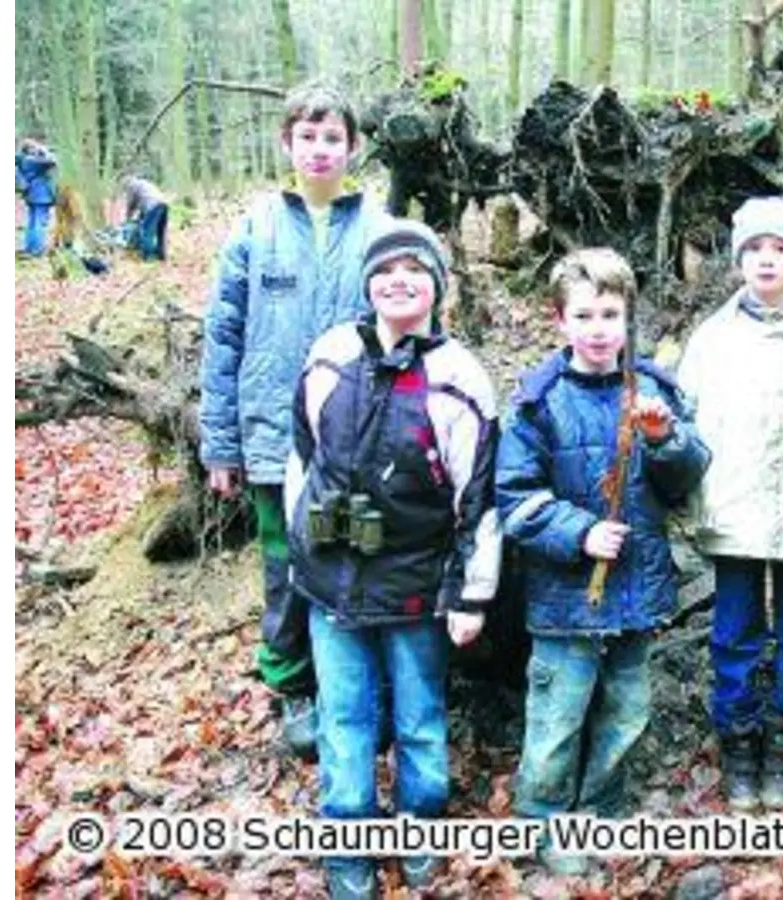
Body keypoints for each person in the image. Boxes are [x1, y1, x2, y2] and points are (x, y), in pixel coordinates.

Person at [287, 217, 500, 899]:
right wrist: (301, 545)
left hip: (417, 589)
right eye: (384, 269)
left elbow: (479, 496)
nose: (397, 280)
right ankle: (349, 850)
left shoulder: (457, 374)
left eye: (414, 269)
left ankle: (418, 832)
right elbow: (302, 457)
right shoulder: (329, 354)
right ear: (368, 282)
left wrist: (472, 595)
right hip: (332, 584)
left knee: (417, 720)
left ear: (436, 285)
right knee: (343, 721)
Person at [495, 248, 711, 875]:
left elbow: (687, 477)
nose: (598, 329)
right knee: (558, 713)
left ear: (628, 317)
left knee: (626, 708)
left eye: (611, 314)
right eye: (583, 315)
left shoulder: (655, 392)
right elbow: (513, 495)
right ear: (559, 320)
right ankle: (543, 818)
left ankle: (603, 806)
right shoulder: (538, 401)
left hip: (636, 594)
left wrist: (664, 441)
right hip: (565, 598)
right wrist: (579, 532)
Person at [198, 79, 389, 761]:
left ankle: (357, 685)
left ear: (354, 147)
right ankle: (292, 687)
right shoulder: (254, 228)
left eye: (332, 137)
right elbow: (222, 339)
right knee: (285, 567)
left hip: (358, 437)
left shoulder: (379, 229)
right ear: (287, 142)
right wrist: (221, 444)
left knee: (353, 556)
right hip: (274, 439)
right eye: (306, 136)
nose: (319, 149)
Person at [675, 197, 783, 811]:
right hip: (735, 509)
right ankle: (738, 741)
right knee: (735, 631)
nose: (767, 260)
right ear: (739, 258)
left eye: (780, 248)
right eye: (755, 249)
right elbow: (685, 425)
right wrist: (690, 503)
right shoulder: (711, 339)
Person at [112, 174, 170, 261]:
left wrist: (127, 219)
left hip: (152, 206)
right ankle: (162, 256)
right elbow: (145, 201)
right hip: (163, 204)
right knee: (160, 232)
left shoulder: (132, 186)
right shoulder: (143, 183)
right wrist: (140, 217)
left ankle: (148, 258)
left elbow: (131, 205)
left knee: (146, 233)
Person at [16, 138, 58, 257]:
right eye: (34, 148)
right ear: (30, 149)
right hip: (41, 195)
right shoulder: (34, 161)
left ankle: (29, 247)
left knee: (32, 221)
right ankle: (37, 249)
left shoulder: (23, 160)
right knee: (40, 222)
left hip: (30, 194)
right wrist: (44, 150)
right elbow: (53, 161)